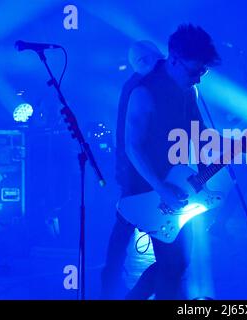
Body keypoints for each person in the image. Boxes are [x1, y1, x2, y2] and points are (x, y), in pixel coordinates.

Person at [116, 24, 221, 300]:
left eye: (203, 72)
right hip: (146, 188)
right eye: (194, 71)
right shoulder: (143, 92)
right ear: (173, 59)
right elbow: (132, 147)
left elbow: (199, 138)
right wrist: (161, 188)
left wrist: (204, 180)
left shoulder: (189, 92)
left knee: (177, 261)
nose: (198, 79)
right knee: (173, 261)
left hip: (178, 184)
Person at [100, 40, 164, 299]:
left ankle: (112, 281)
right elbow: (133, 138)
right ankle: (122, 288)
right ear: (147, 62)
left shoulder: (136, 85)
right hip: (136, 171)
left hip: (134, 170)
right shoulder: (139, 87)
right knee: (135, 223)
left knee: (126, 224)